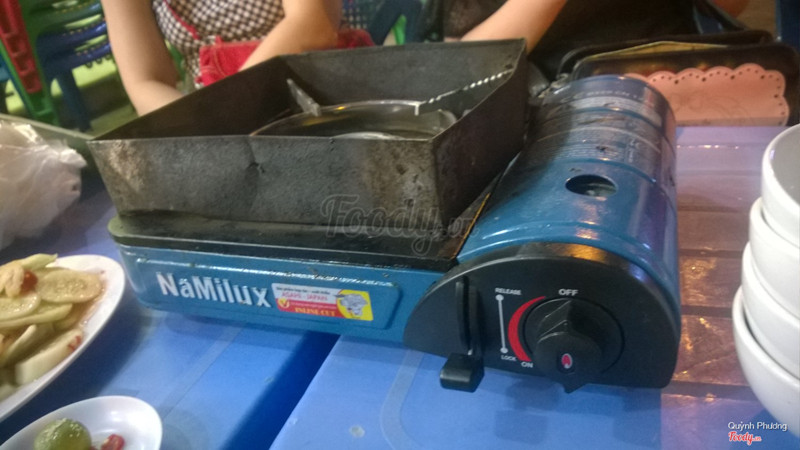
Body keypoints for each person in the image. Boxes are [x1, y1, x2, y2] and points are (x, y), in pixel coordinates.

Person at [102, 0, 343, 115]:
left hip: (311, 97)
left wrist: (224, 112)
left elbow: (310, 26)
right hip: (213, 115)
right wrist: (199, 129)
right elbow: (144, 81)